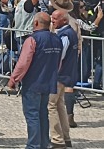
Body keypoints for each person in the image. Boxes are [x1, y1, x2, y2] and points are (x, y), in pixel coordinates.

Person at [8, 12, 62, 149]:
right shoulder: (57, 39)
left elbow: (23, 62)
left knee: (32, 115)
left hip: (33, 82)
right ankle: (44, 143)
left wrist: (13, 79)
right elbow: (59, 62)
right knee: (43, 114)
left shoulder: (32, 40)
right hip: (48, 82)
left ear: (36, 23)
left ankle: (33, 145)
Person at [48, 9, 77, 149]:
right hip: (64, 74)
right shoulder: (69, 32)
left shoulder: (65, 35)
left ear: (64, 20)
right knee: (60, 106)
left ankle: (57, 139)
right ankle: (65, 137)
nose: (52, 20)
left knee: (51, 106)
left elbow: (59, 56)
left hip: (59, 75)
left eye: (55, 18)